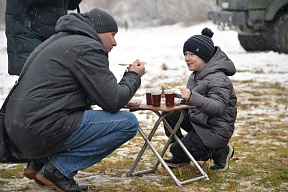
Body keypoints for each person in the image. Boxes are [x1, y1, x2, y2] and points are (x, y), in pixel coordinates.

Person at [4, 8, 145, 192]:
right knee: (127, 123)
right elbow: (113, 100)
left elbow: (72, 93)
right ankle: (58, 170)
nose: (115, 42)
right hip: (39, 128)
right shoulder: (87, 46)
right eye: (113, 35)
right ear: (99, 32)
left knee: (89, 114)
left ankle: (40, 163)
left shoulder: (60, 40)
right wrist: (133, 75)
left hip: (19, 128)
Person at [163, 28, 237, 171]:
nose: (186, 58)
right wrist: (175, 98)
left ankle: (220, 151)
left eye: (192, 54)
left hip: (214, 129)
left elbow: (218, 108)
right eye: (185, 54)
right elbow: (194, 101)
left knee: (177, 149)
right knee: (168, 115)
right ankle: (182, 150)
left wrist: (192, 97)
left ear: (205, 56)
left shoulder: (218, 78)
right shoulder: (196, 74)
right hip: (199, 121)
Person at [5, 0, 82, 75]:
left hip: (52, 37)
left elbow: (71, 4)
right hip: (28, 34)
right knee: (38, 80)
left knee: (51, 81)